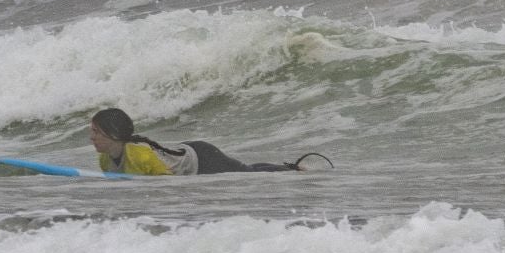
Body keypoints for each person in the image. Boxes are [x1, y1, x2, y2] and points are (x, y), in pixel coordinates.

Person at [87, 108, 327, 175]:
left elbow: (167, 185)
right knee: (245, 169)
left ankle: (292, 169)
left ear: (114, 134)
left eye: (97, 132)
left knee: (246, 172)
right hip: (185, 152)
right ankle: (291, 168)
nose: (92, 137)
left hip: (201, 158)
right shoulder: (105, 160)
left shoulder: (139, 155)